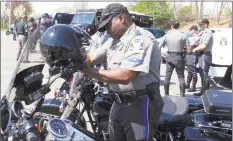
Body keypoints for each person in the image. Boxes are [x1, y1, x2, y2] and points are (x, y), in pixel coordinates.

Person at [83, 3, 164, 141]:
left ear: (121, 18)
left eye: (108, 26)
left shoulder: (140, 38)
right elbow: (91, 57)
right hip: (118, 102)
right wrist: (72, 60)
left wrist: (89, 71)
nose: (107, 31)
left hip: (140, 105)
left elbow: (126, 75)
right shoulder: (114, 41)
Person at [159, 20, 187, 97]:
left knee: (167, 76)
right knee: (181, 77)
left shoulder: (167, 35)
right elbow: (188, 47)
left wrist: (160, 56)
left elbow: (159, 46)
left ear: (171, 26)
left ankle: (166, 94)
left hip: (169, 56)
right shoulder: (183, 35)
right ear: (178, 26)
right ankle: (182, 95)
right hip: (179, 56)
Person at [193, 19, 213, 96]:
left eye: (201, 24)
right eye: (199, 24)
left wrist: (195, 49)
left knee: (204, 74)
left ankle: (205, 93)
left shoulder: (208, 32)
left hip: (205, 54)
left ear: (206, 24)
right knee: (202, 74)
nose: (199, 26)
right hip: (201, 54)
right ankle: (203, 91)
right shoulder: (202, 32)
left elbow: (204, 45)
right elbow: (197, 41)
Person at [185, 25, 200, 92]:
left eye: (190, 30)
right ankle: (188, 84)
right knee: (189, 70)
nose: (189, 31)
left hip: (193, 55)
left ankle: (193, 87)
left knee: (193, 71)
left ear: (194, 30)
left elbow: (191, 46)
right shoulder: (191, 37)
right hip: (189, 54)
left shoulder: (197, 37)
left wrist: (188, 45)